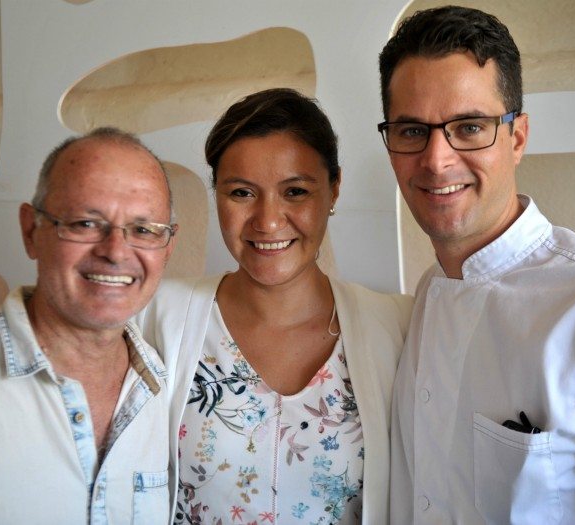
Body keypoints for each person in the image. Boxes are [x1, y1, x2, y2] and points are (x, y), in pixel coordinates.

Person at [378, 6, 575, 524]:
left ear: (518, 137)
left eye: (469, 127)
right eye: (412, 130)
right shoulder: (424, 297)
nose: (437, 160)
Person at [137, 88, 413, 524]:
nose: (268, 221)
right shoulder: (156, 319)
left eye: (295, 191)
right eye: (242, 193)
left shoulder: (398, 328)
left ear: (334, 189)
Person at [0, 127, 176, 524]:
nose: (115, 252)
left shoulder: (164, 388)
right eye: (85, 223)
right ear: (31, 231)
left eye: (144, 230)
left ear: (168, 248)